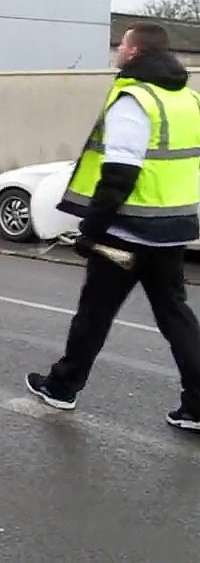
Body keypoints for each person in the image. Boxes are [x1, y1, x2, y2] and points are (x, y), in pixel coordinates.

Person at [26, 22, 200, 431]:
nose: (117, 52)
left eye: (121, 45)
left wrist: (91, 229)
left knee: (94, 313)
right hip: (172, 229)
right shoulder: (188, 99)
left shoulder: (133, 99)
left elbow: (119, 173)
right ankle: (197, 406)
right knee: (176, 317)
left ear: (134, 53)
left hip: (126, 233)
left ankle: (62, 387)